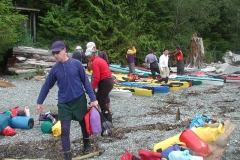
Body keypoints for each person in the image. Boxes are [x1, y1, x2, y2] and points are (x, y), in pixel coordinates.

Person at [36, 41, 98, 160]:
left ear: (64, 50)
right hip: (64, 103)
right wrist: (39, 102)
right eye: (53, 53)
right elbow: (46, 86)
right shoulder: (55, 69)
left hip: (79, 99)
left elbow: (86, 82)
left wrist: (93, 98)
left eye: (57, 52)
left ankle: (87, 144)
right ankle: (67, 155)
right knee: (64, 130)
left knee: (84, 124)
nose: (55, 55)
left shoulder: (76, 64)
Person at [85, 45, 114, 123]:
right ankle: (104, 117)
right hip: (107, 81)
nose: (88, 59)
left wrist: (92, 87)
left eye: (88, 57)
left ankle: (108, 119)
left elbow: (97, 77)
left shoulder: (95, 62)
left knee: (102, 101)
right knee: (99, 98)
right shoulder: (99, 59)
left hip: (106, 82)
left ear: (90, 56)